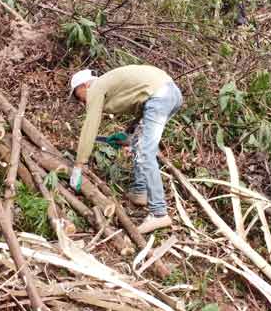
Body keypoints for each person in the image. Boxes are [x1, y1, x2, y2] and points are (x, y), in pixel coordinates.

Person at [68, 65, 184, 235]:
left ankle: (159, 213)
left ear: (84, 86)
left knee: (145, 153)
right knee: (138, 144)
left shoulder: (96, 87)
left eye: (77, 96)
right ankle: (140, 192)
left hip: (160, 96)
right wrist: (127, 134)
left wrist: (79, 164)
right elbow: (142, 106)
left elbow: (90, 126)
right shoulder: (109, 84)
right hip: (170, 94)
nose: (80, 101)